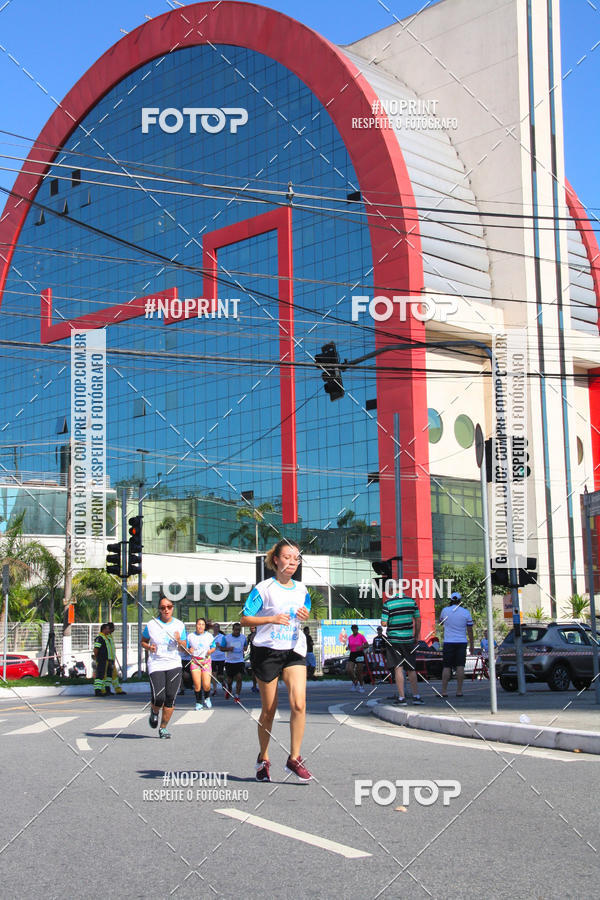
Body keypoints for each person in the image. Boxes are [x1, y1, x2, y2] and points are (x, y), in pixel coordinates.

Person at [240, 538, 312, 783]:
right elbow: (244, 619)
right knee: (269, 710)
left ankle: (294, 758)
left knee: (299, 704)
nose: (292, 562)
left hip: (293, 649)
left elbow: (305, 612)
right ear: (276, 560)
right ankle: (263, 758)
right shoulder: (264, 589)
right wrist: (270, 619)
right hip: (267, 651)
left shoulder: (302, 590)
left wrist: (305, 614)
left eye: (296, 558)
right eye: (288, 558)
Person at [140, 597, 188, 739]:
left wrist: (180, 641)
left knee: (170, 697)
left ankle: (163, 728)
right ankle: (154, 712)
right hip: (156, 664)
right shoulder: (152, 624)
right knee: (159, 696)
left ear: (173, 608)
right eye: (162, 607)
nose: (166, 609)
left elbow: (184, 649)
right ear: (159, 610)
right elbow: (143, 641)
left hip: (174, 664)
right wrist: (149, 647)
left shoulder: (179, 625)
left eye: (169, 606)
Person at [381, 592, 424, 705]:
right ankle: (416, 696)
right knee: (411, 668)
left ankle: (402, 698)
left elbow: (384, 623)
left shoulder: (388, 603)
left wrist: (391, 620)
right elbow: (418, 619)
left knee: (398, 668)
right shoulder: (411, 602)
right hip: (408, 640)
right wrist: (416, 636)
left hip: (394, 640)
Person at [439, 591, 474, 698]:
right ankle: (459, 691)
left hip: (448, 642)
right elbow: (470, 629)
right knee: (460, 666)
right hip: (461, 642)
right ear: (460, 601)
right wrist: (471, 644)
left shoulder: (445, 611)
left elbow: (441, 623)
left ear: (451, 600)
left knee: (446, 666)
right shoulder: (465, 612)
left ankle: (444, 691)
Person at [187, 618, 216, 710]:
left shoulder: (209, 636)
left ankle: (207, 697)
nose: (200, 626)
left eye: (202, 624)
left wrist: (209, 652)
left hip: (206, 662)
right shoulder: (190, 636)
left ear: (205, 626)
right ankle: (198, 702)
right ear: (196, 625)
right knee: (197, 684)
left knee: (207, 685)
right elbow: (186, 648)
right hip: (195, 662)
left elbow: (213, 647)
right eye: (199, 624)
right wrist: (189, 650)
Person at [223, 622, 248, 703]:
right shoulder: (227, 638)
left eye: (238, 630)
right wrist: (228, 649)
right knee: (229, 680)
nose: (237, 632)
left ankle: (237, 695)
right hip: (229, 661)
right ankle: (229, 689)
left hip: (239, 661)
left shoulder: (243, 637)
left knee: (239, 678)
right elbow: (221, 648)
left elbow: (245, 646)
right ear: (233, 630)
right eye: (236, 630)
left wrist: (245, 648)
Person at [346, 624, 369, 692]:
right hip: (352, 654)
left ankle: (361, 686)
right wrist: (348, 647)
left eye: (356, 629)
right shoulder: (350, 637)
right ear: (352, 630)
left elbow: (367, 645)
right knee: (349, 669)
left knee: (359, 671)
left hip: (359, 653)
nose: (354, 630)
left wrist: (361, 647)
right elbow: (349, 645)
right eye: (353, 629)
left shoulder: (361, 636)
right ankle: (355, 681)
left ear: (357, 629)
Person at [93, 623, 113, 696]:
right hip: (102, 659)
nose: (109, 630)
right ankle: (97, 691)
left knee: (108, 675)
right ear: (104, 629)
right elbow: (96, 649)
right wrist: (96, 657)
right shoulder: (100, 638)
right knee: (100, 675)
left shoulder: (107, 637)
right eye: (107, 628)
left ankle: (107, 690)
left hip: (107, 659)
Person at [107, 622, 126, 694]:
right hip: (107, 659)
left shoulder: (109, 636)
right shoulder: (105, 637)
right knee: (108, 676)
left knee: (113, 675)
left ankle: (117, 690)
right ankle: (106, 690)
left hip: (111, 659)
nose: (113, 629)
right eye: (112, 628)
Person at [210, 623, 227, 698]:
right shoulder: (210, 636)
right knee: (213, 674)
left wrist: (219, 645)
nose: (216, 628)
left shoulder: (222, 636)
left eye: (217, 627)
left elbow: (225, 646)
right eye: (214, 627)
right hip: (213, 657)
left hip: (221, 657)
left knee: (220, 675)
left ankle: (223, 682)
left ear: (219, 628)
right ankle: (215, 689)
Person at [246, 625, 259, 692]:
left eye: (253, 628)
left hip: (260, 654)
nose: (252, 629)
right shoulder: (250, 636)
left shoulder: (259, 634)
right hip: (253, 655)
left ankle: (259, 685)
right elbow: (246, 646)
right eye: (251, 628)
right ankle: (254, 686)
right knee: (254, 671)